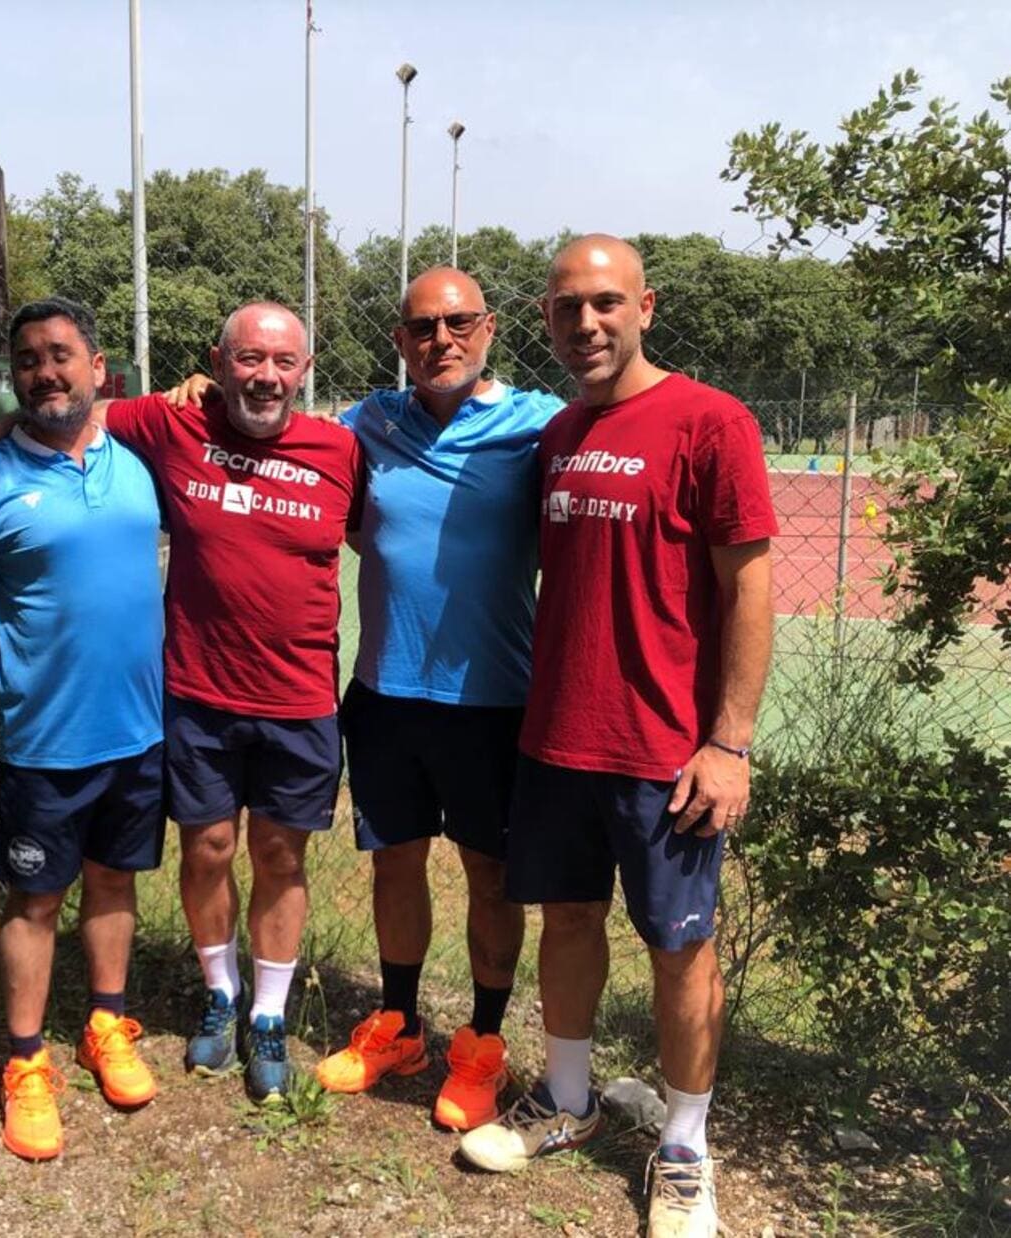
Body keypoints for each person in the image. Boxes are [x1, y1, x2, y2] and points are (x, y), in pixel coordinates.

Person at [0, 302, 362, 1104]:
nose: (264, 377)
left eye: (281, 362)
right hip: (195, 693)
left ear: (304, 370)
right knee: (205, 852)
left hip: (301, 697)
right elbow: (67, 405)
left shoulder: (343, 448)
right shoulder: (172, 429)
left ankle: (267, 1015)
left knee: (281, 856)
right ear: (219, 360)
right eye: (247, 359)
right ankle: (220, 994)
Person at [458, 236, 776, 1238]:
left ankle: (684, 1145)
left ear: (647, 305)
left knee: (681, 951)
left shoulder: (711, 422)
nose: (586, 322)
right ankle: (568, 1098)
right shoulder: (557, 434)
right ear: (546, 321)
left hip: (668, 754)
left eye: (605, 302)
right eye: (566, 307)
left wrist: (730, 740)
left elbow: (752, 587)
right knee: (568, 922)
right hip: (558, 739)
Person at [312, 267, 563, 1131]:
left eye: (458, 322)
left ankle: (484, 1043)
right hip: (385, 694)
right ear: (400, 341)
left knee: (492, 878)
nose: (441, 340)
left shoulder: (538, 425)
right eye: (423, 327)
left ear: (490, 329)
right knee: (396, 862)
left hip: (494, 704)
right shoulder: (369, 421)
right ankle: (399, 1024)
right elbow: (277, 442)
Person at [0, 297, 166, 1162]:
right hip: (44, 741)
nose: (46, 373)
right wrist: (24, 640)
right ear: (13, 378)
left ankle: (106, 1025)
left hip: (138, 733)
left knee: (114, 882)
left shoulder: (136, 460)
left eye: (62, 356)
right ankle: (25, 1063)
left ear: (100, 369)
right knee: (34, 900)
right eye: (28, 361)